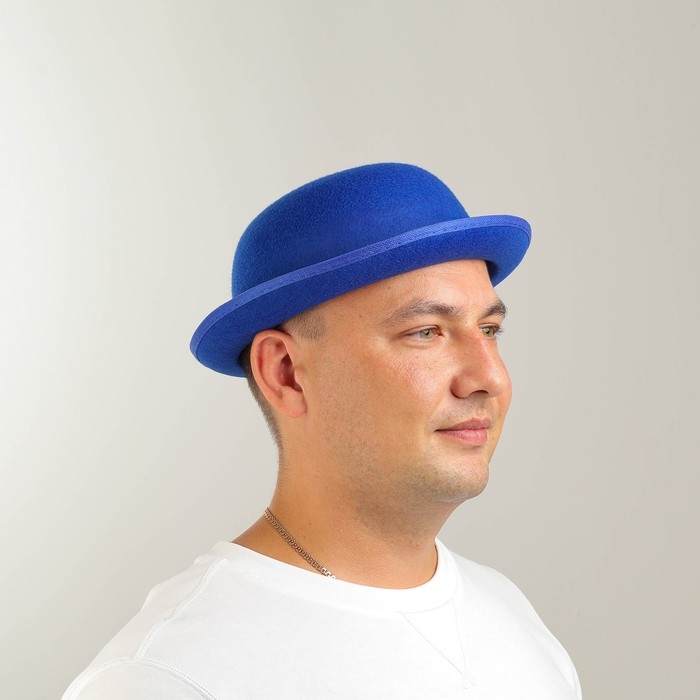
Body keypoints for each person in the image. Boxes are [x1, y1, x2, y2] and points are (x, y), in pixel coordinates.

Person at [63, 163, 582, 698]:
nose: (491, 378)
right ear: (285, 373)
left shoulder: (510, 615)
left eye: (490, 329)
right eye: (426, 332)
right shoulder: (169, 676)